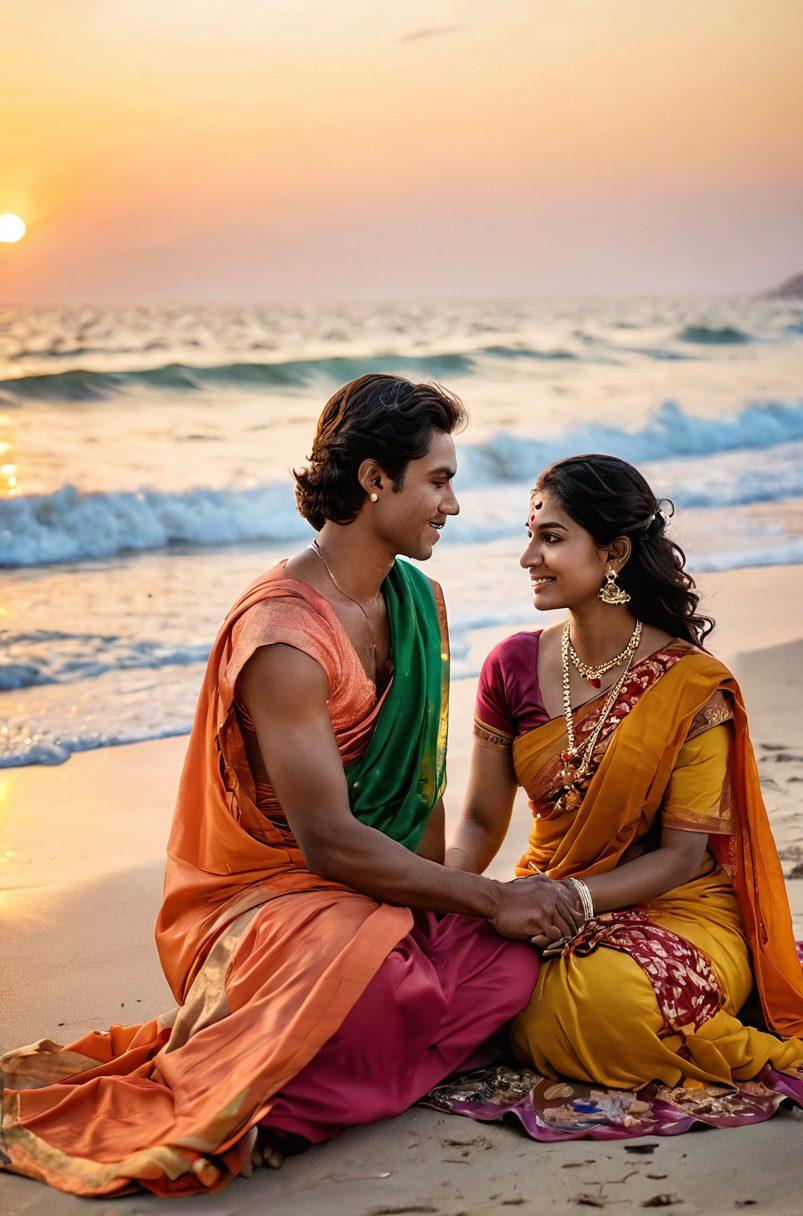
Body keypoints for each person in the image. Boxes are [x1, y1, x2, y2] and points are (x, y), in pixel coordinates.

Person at [0, 375, 581, 1197]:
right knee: (387, 986)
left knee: (508, 967)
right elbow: (329, 843)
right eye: (438, 481)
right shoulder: (284, 635)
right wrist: (486, 897)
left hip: (373, 893)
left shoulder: (420, 603)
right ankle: (274, 1092)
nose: (452, 505)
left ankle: (318, 1059)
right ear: (375, 479)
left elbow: (419, 793)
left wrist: (443, 915)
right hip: (266, 899)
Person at [446, 453, 803, 1097]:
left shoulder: (690, 684)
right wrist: (449, 895)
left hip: (677, 909)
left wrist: (576, 900)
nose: (528, 558)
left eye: (551, 538)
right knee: (440, 966)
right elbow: (482, 822)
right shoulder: (510, 665)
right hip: (541, 899)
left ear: (614, 552)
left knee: (603, 1007)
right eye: (529, 536)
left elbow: (680, 857)